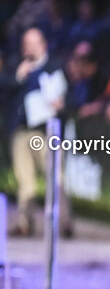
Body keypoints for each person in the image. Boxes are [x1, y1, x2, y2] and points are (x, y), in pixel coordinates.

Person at [2, 27, 70, 237]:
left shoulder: (55, 67)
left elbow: (71, 98)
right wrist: (19, 77)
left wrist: (61, 105)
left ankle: (64, 224)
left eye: (33, 43)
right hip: (21, 132)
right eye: (26, 44)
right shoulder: (16, 67)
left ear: (43, 45)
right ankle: (25, 223)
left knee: (55, 178)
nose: (29, 48)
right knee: (25, 182)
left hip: (48, 132)